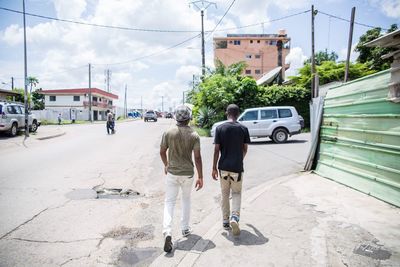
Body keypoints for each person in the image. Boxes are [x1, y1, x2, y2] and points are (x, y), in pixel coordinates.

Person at [160, 105, 203, 253]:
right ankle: (185, 229)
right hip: (188, 174)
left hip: (172, 172)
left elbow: (162, 151)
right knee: (186, 199)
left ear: (176, 117)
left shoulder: (168, 132)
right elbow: (197, 157)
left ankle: (167, 232)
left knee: (169, 202)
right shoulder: (194, 135)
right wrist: (201, 176)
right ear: (189, 118)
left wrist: (166, 165)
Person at [212, 104, 250, 236]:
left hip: (223, 168)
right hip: (237, 168)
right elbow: (245, 149)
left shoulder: (220, 128)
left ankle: (225, 221)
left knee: (224, 194)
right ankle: (235, 217)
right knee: (236, 193)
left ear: (227, 113)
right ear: (238, 114)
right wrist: (239, 159)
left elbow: (217, 150)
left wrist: (213, 168)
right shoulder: (243, 128)